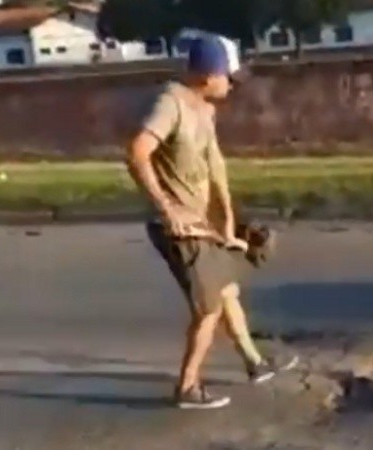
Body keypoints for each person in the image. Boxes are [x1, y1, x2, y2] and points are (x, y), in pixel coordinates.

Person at [126, 35, 297, 410]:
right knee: (209, 308)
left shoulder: (205, 108)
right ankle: (187, 388)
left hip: (204, 221)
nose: (232, 85)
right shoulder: (169, 104)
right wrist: (168, 209)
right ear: (208, 75)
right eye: (229, 78)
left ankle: (255, 362)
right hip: (179, 228)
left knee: (227, 288)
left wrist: (230, 223)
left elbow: (215, 164)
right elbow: (137, 152)